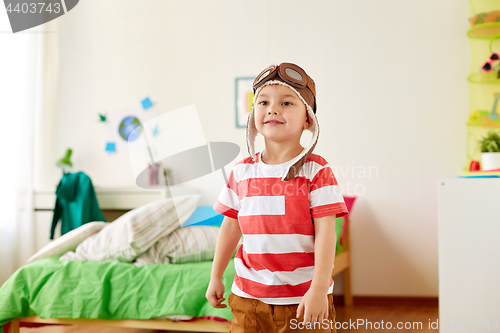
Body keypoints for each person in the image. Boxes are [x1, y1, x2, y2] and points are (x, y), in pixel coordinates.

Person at [206, 62, 349, 332]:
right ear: (253, 117)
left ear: (308, 119)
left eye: (286, 103)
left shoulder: (317, 171)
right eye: (263, 102)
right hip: (247, 299)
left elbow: (327, 233)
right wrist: (215, 276)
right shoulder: (241, 171)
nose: (272, 108)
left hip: (303, 299)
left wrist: (319, 289)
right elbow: (230, 226)